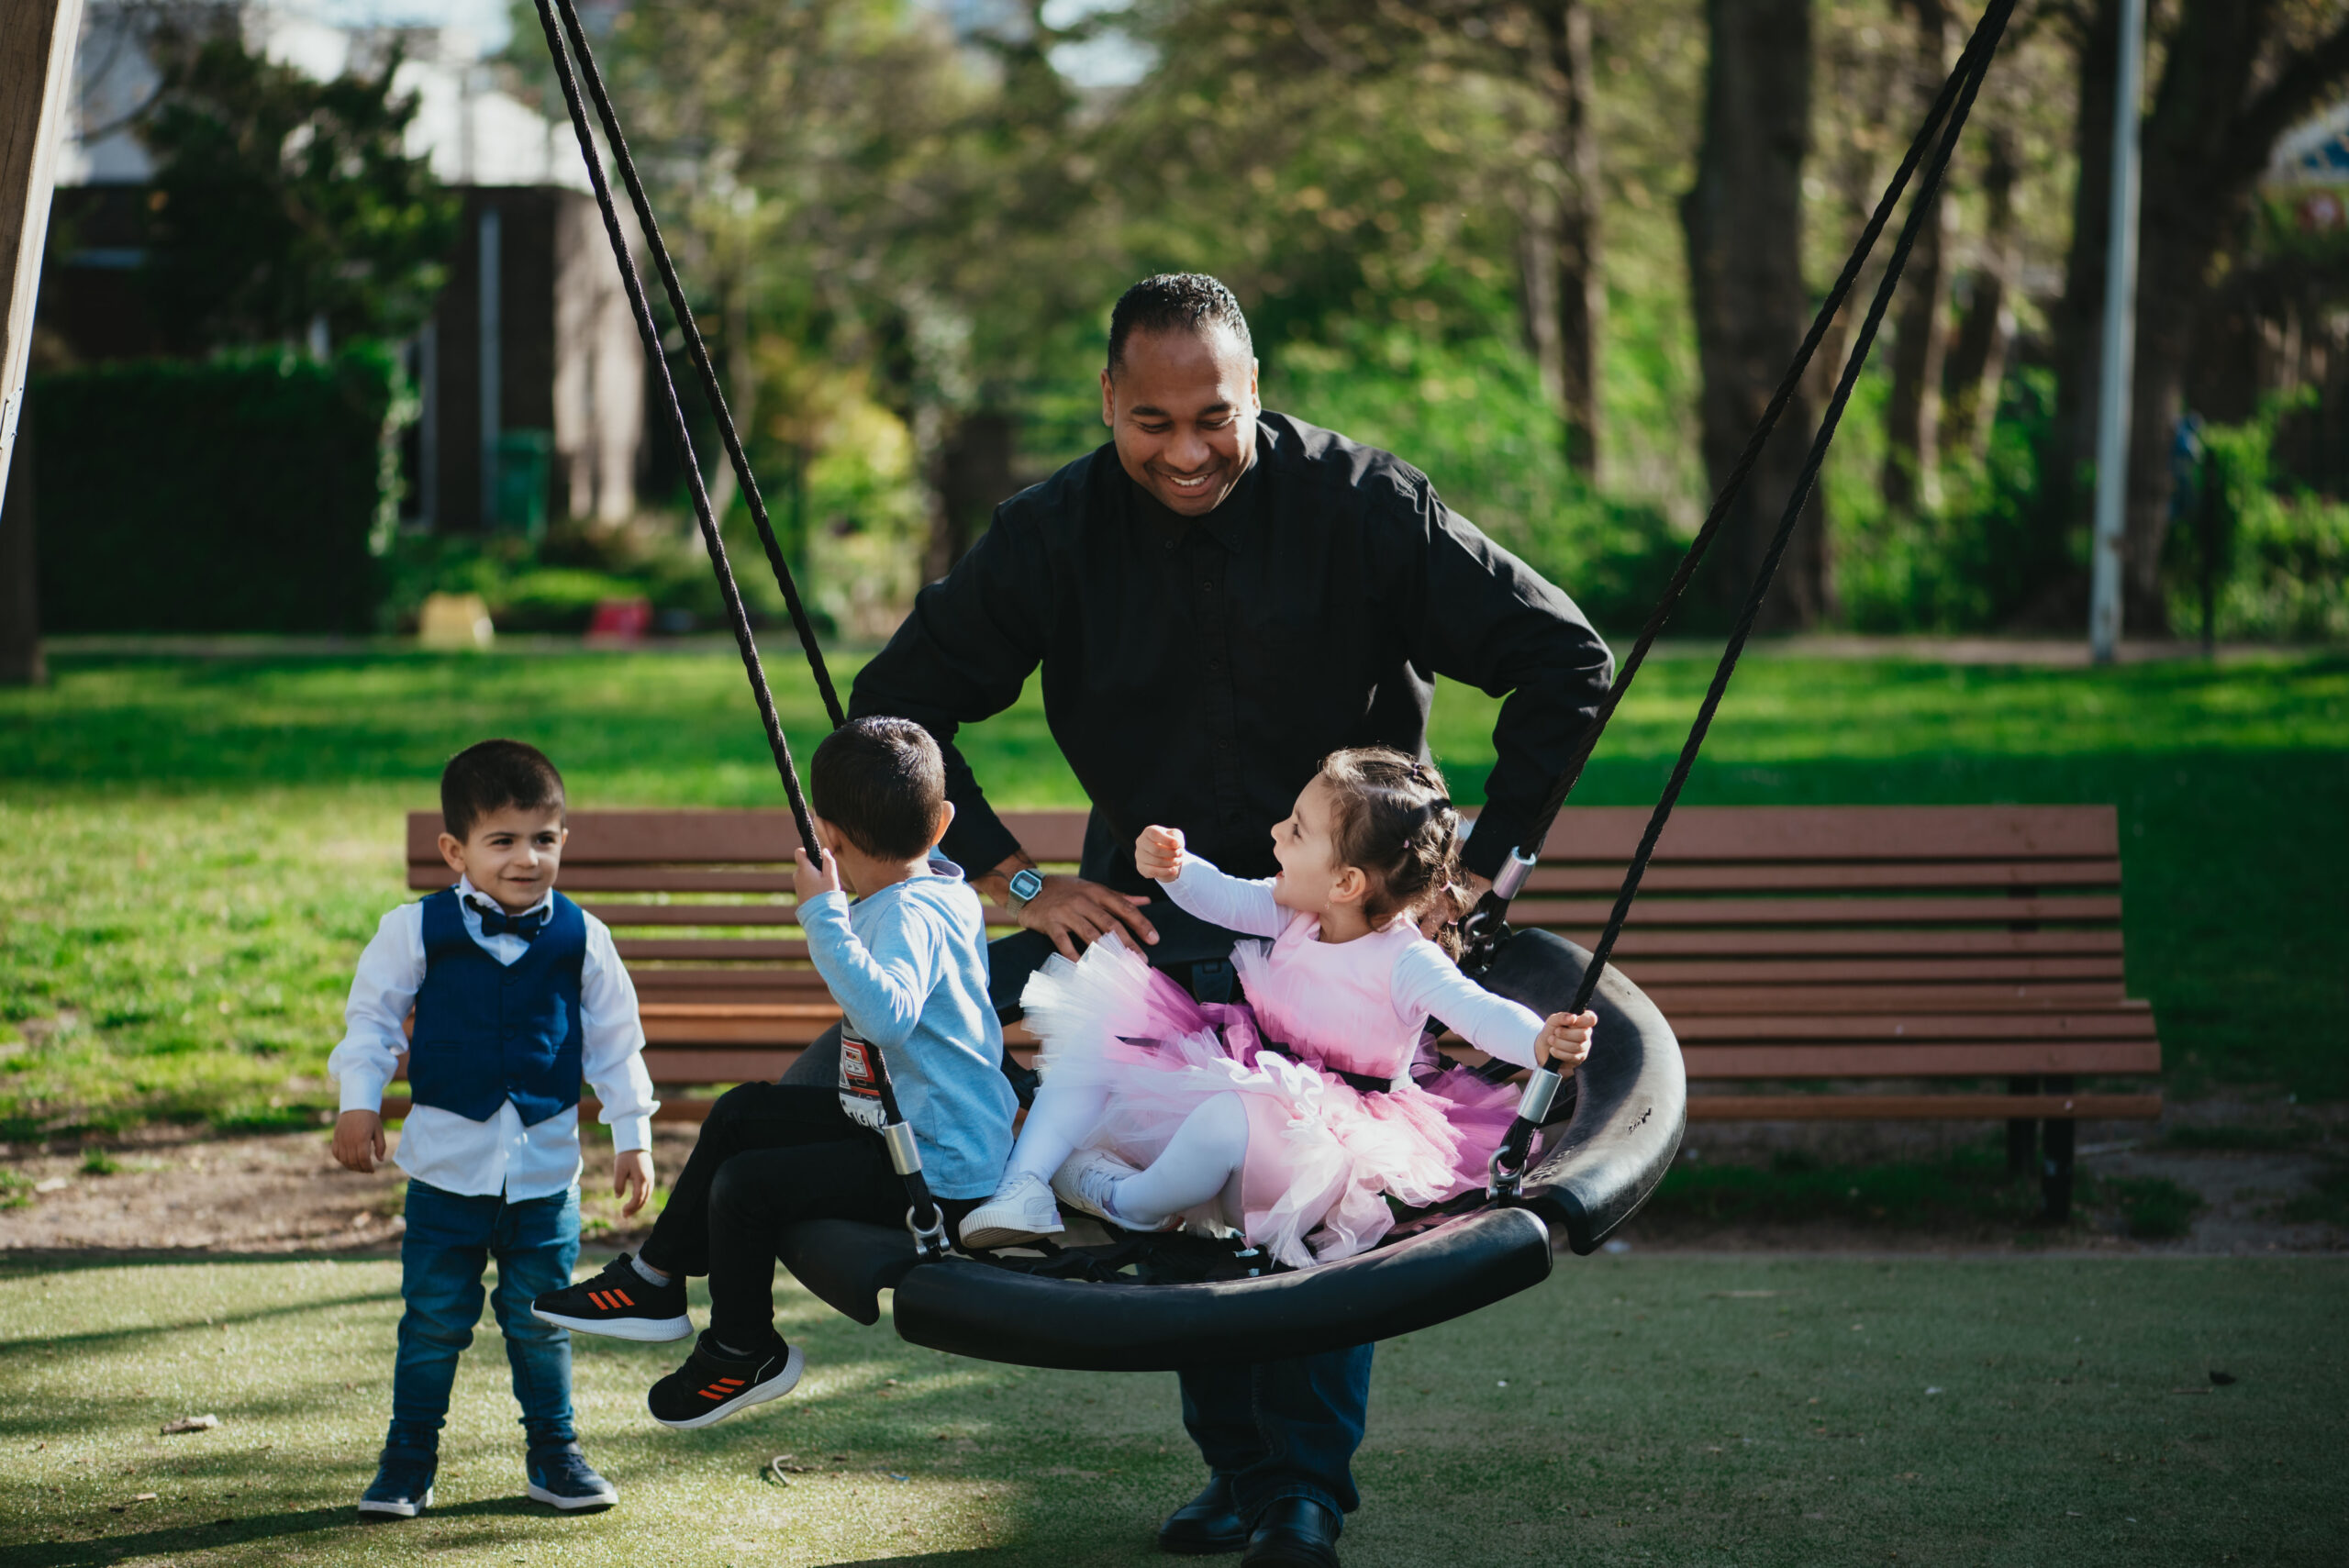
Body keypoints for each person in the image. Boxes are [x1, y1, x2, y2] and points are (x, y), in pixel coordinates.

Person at [841, 272, 1615, 1567]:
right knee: (1195, 1189)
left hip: (1341, 934)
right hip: (1155, 922)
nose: (1189, 451)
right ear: (1108, 402)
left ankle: (1301, 1487)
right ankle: (1246, 1471)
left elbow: (1565, 660)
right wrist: (1020, 884)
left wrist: (1483, 871)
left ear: (1257, 393)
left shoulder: (1368, 509)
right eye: (1154, 423)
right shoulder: (1052, 534)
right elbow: (891, 716)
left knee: (1310, 1186)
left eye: (1217, 416)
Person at [531, 717, 1017, 1431]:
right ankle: (655, 1279)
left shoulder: (908, 913)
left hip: (936, 1168)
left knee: (746, 1189)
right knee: (741, 1112)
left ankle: (742, 1349)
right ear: (942, 823)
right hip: (899, 1126)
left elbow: (887, 1016)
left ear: (829, 836)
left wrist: (822, 914)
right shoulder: (946, 890)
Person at [962, 749, 1598, 1266]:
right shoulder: (1302, 910)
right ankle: (1024, 1186)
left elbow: (1480, 1012)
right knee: (1105, 1030)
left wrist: (1541, 1041)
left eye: (1295, 830)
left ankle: (1131, 1200)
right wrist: (1177, 867)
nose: (1275, 833)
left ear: (1347, 882)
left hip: (1326, 1139)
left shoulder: (1406, 959)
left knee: (1225, 1120)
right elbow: (1223, 898)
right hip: (1254, 1073)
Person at [328, 739, 658, 1519]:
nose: (525, 858)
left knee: (540, 1321)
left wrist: (633, 1133)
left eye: (542, 839)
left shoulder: (585, 937)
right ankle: (408, 1458)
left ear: (563, 842)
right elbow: (372, 1021)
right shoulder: (415, 928)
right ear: (455, 850)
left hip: (545, 1174)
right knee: (434, 1320)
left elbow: (617, 1042)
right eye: (502, 840)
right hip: (445, 1169)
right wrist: (358, 1100)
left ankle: (555, 1454)